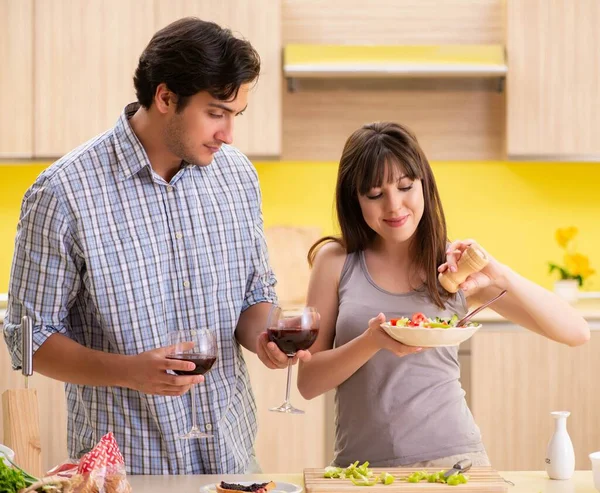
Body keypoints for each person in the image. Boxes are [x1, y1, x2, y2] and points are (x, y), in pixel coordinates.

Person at [3, 17, 307, 475]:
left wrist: (265, 337)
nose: (229, 134)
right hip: (124, 471)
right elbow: (28, 341)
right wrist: (130, 371)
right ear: (165, 97)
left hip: (231, 464)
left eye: (235, 115)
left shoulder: (237, 177)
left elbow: (253, 296)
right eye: (216, 112)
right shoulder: (63, 193)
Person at [297, 122, 590, 468]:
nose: (394, 206)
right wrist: (372, 341)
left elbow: (576, 332)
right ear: (354, 199)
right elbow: (308, 381)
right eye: (375, 194)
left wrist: (497, 271)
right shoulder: (335, 262)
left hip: (455, 461)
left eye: (405, 187)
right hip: (360, 467)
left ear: (424, 184)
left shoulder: (455, 270)